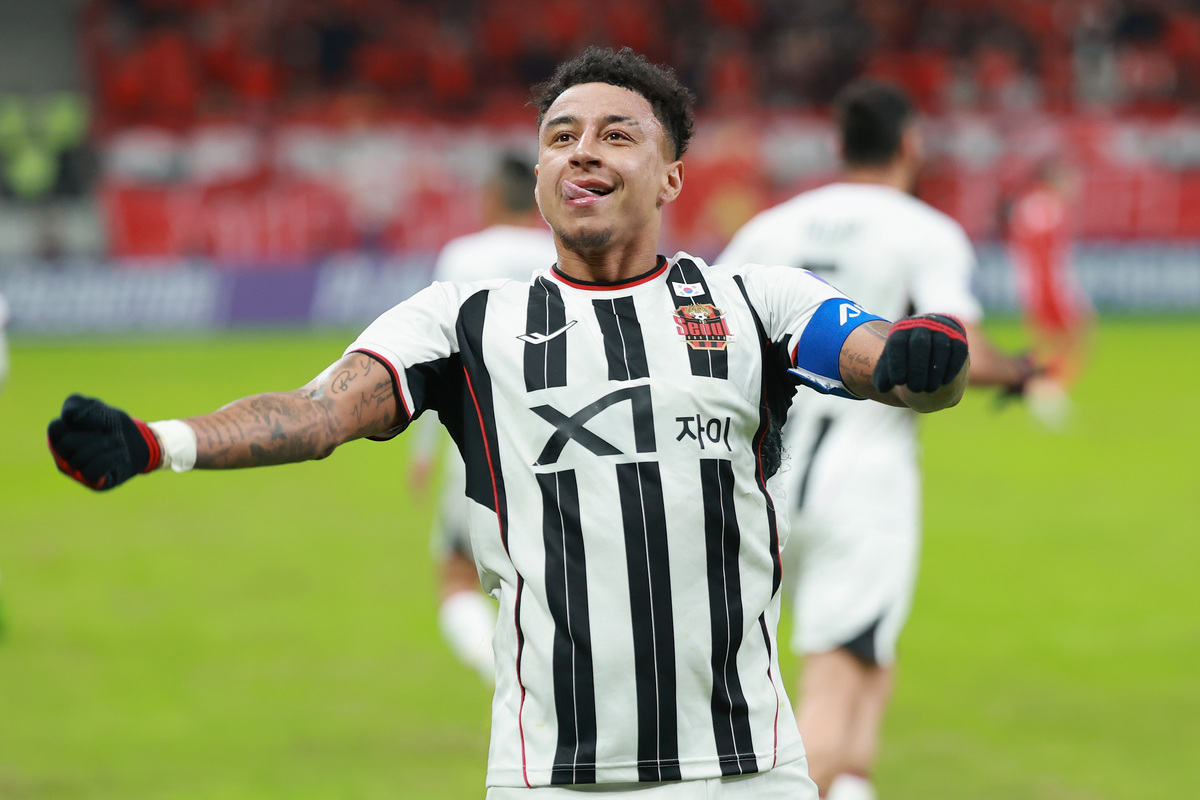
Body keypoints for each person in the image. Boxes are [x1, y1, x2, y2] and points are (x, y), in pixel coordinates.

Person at [48, 48, 971, 799]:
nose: (583, 152)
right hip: (552, 779)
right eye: (561, 137)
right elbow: (319, 413)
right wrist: (159, 441)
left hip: (748, 770)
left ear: (671, 175)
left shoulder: (753, 302)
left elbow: (886, 361)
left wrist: (924, 360)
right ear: (538, 176)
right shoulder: (464, 322)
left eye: (616, 134)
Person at [716, 79, 1037, 800]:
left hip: (756, 477)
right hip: (859, 481)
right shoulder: (922, 230)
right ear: (911, 145)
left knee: (858, 671)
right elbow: (949, 346)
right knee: (836, 685)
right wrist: (1017, 371)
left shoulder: (770, 227)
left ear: (839, 145)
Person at [407, 153, 558, 684]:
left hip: (476, 441)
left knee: (455, 576)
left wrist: (422, 452)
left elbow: (434, 356)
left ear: (490, 198)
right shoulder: (558, 250)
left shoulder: (462, 256)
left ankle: (504, 677)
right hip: (559, 438)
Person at [1005, 158, 1094, 429]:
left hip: (1033, 286)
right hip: (1049, 289)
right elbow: (1047, 258)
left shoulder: (1029, 205)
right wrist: (1060, 294)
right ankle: (1045, 393)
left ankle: (1042, 391)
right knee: (1072, 339)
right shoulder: (1049, 208)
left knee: (1050, 343)